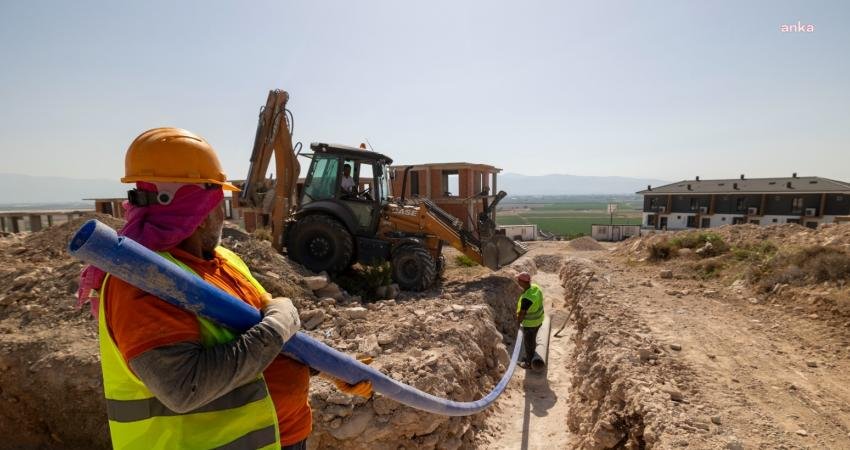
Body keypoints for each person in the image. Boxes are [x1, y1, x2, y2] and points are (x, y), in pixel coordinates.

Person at [77, 127, 371, 450]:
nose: (222, 214)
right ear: (199, 213)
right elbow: (184, 387)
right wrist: (278, 325)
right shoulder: (139, 281)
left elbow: (261, 336)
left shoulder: (224, 261)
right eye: (219, 202)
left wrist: (327, 367)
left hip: (281, 438)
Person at [515, 271, 545, 369]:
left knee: (528, 344)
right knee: (532, 340)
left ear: (522, 281)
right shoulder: (535, 288)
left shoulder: (527, 298)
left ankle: (528, 364)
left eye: (518, 280)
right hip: (539, 320)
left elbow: (522, 313)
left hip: (530, 324)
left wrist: (518, 323)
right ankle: (530, 356)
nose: (517, 281)